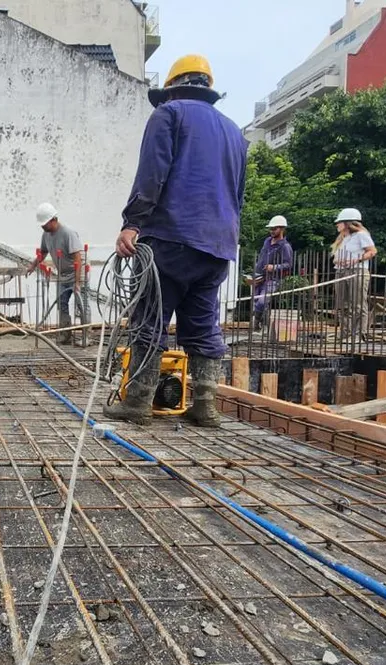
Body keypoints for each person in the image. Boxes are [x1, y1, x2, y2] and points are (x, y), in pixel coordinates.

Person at [104, 54, 247, 428]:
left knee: (149, 319)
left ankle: (137, 403)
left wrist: (133, 223)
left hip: (169, 237)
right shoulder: (235, 132)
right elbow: (238, 194)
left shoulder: (168, 114)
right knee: (202, 324)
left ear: (171, 87)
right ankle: (205, 406)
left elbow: (153, 173)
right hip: (217, 245)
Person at [24, 203, 86, 345]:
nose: (42, 227)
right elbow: (44, 252)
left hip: (78, 272)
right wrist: (33, 265)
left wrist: (77, 282)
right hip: (63, 274)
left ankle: (85, 336)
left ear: (53, 219)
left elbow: (77, 257)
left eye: (44, 224)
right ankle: (65, 334)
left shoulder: (68, 233)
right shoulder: (46, 235)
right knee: (61, 303)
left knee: (82, 305)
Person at [331, 208, 377, 340]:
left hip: (357, 271)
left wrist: (357, 259)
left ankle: (358, 334)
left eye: (339, 222)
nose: (337, 225)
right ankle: (345, 333)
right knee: (342, 305)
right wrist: (339, 260)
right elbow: (335, 257)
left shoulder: (361, 235)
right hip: (341, 271)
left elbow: (372, 251)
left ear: (347, 223)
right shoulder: (342, 239)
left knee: (357, 304)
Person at [247, 215, 294, 330]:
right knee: (256, 302)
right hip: (259, 277)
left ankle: (257, 322)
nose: (272, 231)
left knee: (262, 302)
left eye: (275, 228)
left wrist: (274, 267)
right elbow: (261, 259)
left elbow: (288, 265)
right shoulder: (267, 241)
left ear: (282, 229)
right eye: (271, 229)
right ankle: (262, 326)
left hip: (273, 279)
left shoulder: (285, 246)